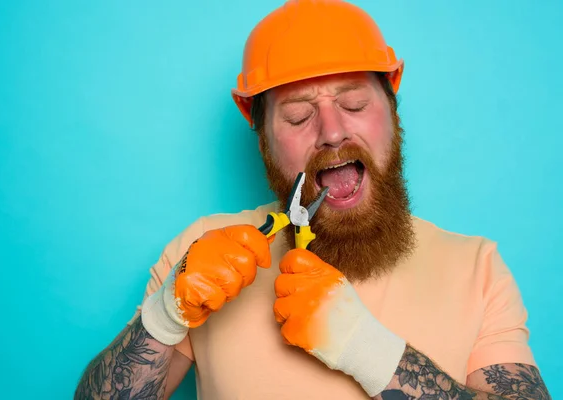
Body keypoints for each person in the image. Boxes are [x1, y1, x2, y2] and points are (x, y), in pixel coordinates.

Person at [74, 1, 551, 399]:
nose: (333, 131)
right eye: (299, 116)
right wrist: (165, 315)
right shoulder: (201, 251)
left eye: (355, 104)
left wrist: (369, 350)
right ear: (261, 134)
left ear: (392, 108)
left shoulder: (477, 267)